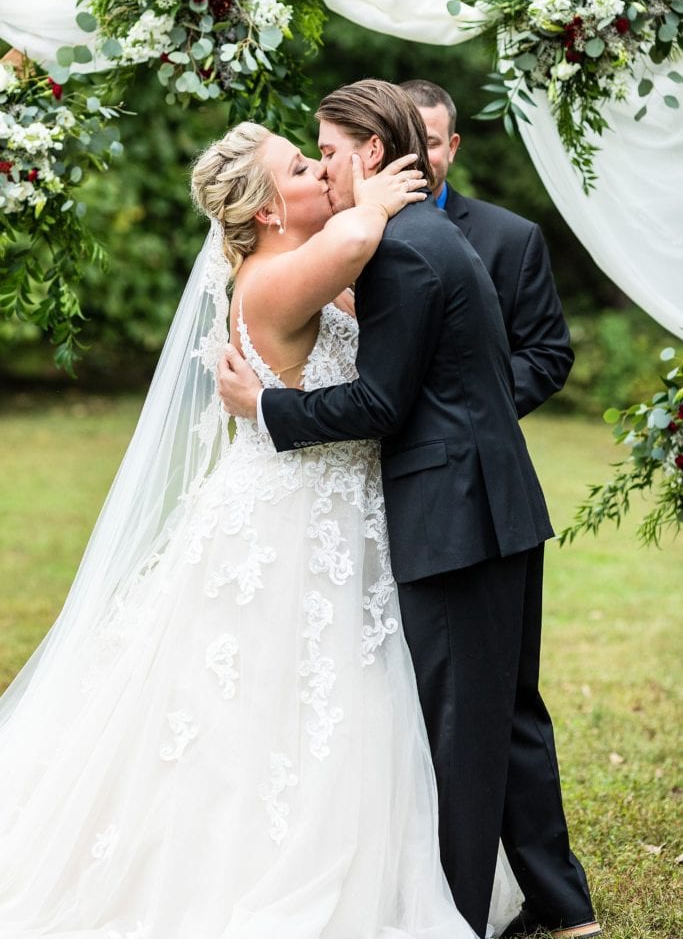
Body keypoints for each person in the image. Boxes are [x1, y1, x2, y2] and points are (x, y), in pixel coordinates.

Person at [0, 123, 493, 937]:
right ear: (266, 211)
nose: (320, 170)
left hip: (336, 505)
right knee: (277, 700)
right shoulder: (272, 282)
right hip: (291, 519)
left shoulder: (304, 272)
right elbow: (363, 232)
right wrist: (371, 192)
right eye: (302, 166)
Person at [217, 80, 600, 939]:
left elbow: (380, 404)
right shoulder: (406, 241)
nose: (320, 165)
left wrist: (265, 411)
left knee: (466, 731)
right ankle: (517, 905)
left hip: (455, 515)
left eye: (326, 150)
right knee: (478, 718)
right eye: (306, 157)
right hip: (463, 510)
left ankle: (454, 916)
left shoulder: (400, 250)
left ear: (370, 155)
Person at [400, 79, 573, 419]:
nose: (417, 155)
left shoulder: (512, 239)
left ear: (452, 147)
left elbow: (546, 354)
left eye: (430, 142)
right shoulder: (346, 227)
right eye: (404, 141)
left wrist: (466, 411)